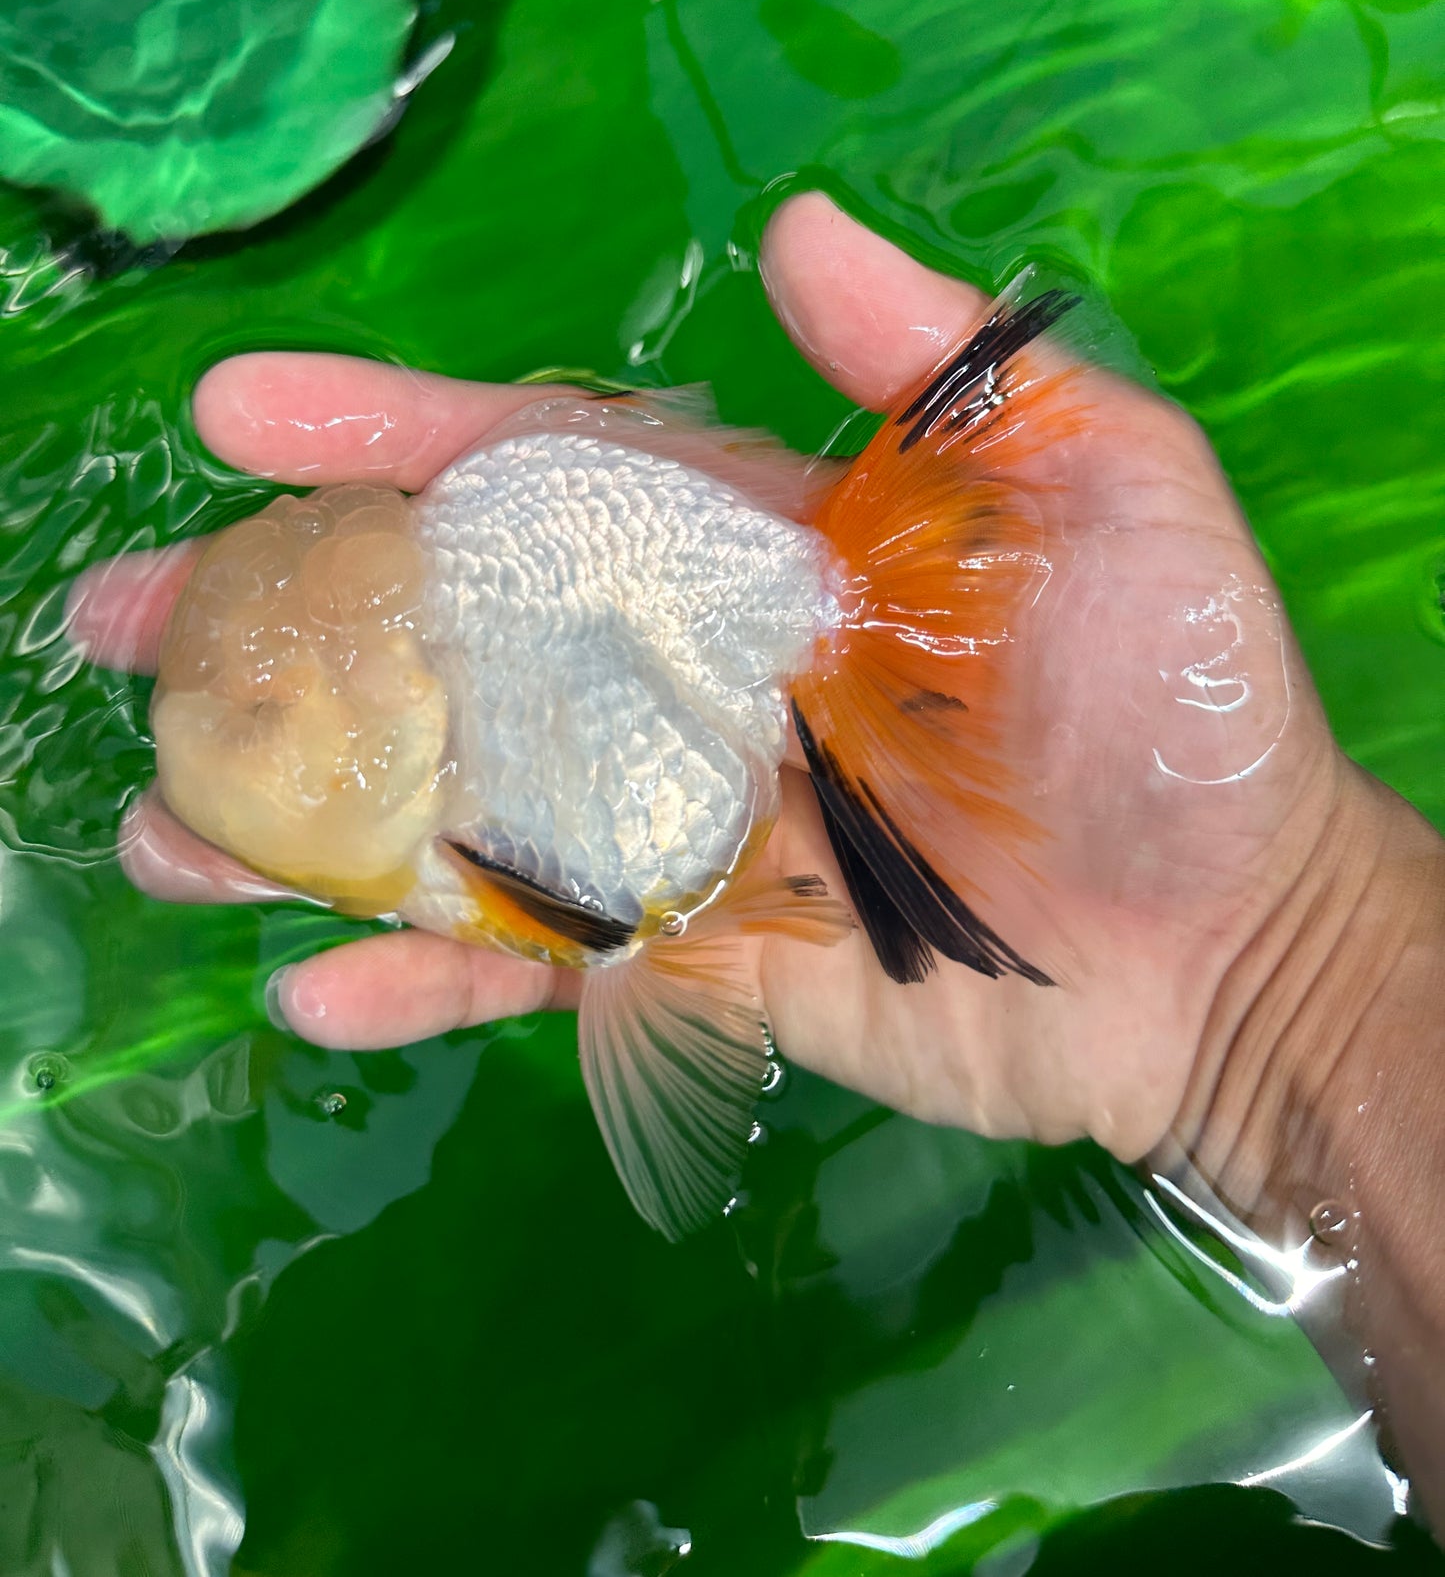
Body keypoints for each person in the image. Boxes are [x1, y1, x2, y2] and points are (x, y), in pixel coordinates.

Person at [67, 194, 1445, 1531]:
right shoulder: (472, 612)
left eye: (260, 716)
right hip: (618, 629)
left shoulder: (461, 748)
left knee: (630, 896)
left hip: (635, 667)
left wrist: (1269, 965)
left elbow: (610, 920)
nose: (242, 721)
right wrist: (1271, 968)